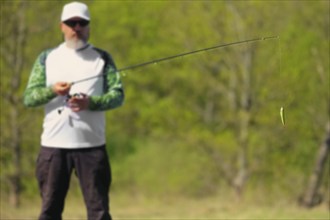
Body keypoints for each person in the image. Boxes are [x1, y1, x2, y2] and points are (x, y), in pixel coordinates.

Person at [23, 2, 124, 220]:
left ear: (89, 26)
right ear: (62, 26)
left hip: (92, 147)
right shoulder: (47, 58)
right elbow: (29, 98)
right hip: (53, 147)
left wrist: (92, 103)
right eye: (71, 23)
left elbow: (118, 96)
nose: (76, 27)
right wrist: (52, 91)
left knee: (99, 212)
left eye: (82, 23)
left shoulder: (102, 58)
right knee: (49, 211)